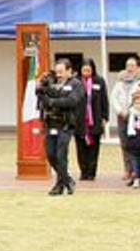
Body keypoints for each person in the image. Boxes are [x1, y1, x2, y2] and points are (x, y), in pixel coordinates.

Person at [36, 58, 85, 196]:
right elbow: (43, 96)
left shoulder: (77, 84)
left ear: (69, 71)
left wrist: (51, 101)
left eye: (61, 72)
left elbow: (71, 101)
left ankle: (59, 185)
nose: (58, 75)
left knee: (61, 155)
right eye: (57, 72)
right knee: (51, 155)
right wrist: (41, 89)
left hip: (66, 125)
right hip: (51, 123)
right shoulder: (52, 82)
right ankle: (67, 180)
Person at [110, 57, 140, 183]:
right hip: (122, 116)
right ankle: (128, 169)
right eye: (127, 65)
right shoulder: (119, 82)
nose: (130, 68)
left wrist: (132, 109)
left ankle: (138, 170)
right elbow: (114, 97)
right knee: (125, 143)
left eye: (132, 65)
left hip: (137, 115)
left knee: (136, 142)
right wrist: (120, 111)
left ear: (138, 67)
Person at [76, 58, 108, 181]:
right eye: (84, 70)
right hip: (80, 120)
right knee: (81, 147)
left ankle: (91, 172)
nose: (86, 72)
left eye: (89, 70)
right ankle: (83, 171)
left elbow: (104, 100)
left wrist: (105, 117)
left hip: (95, 119)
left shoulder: (99, 81)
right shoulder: (76, 82)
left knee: (94, 148)